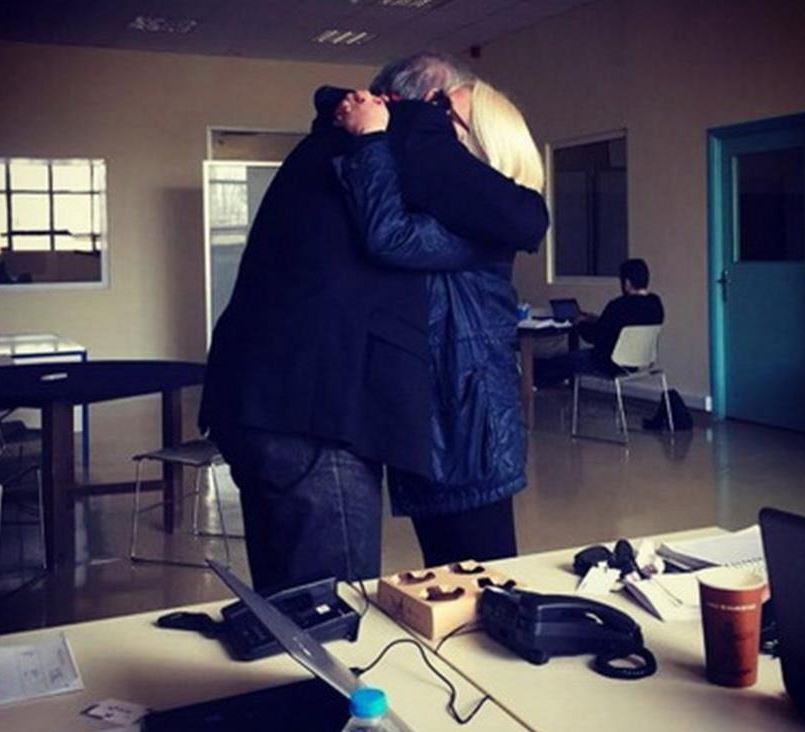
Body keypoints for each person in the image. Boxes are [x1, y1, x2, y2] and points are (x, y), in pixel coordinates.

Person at [199, 54, 547, 592]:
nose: (440, 130)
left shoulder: (356, 149)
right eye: (443, 114)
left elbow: (506, 219)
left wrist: (371, 133)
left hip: (441, 425)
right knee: (327, 607)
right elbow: (397, 235)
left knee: (314, 601)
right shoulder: (384, 146)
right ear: (421, 107)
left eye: (449, 119)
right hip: (317, 415)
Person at [335, 77, 548, 567]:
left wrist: (371, 139)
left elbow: (390, 236)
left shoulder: (482, 225)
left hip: (467, 434)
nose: (427, 118)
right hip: (450, 427)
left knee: (482, 587)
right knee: (450, 584)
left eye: (443, 112)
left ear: (481, 143)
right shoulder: (466, 215)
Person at [536, 258, 664, 385]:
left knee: (554, 362)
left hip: (607, 363)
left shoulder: (619, 305)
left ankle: (533, 387)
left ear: (627, 283)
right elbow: (624, 325)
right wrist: (595, 319)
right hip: (639, 361)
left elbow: (595, 337)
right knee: (563, 363)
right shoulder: (655, 303)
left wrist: (580, 323)